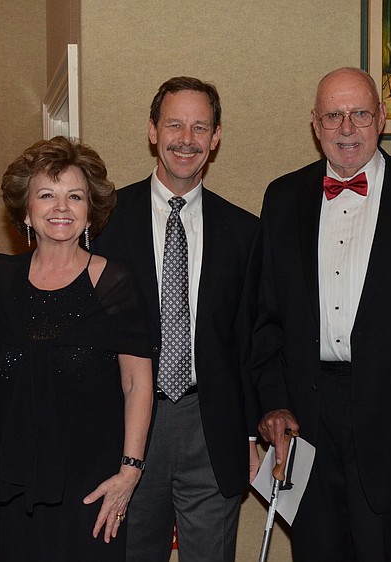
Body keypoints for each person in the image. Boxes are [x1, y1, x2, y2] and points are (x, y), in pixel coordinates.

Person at [252, 67, 391, 562]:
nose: (346, 128)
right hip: (305, 423)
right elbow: (265, 317)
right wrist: (273, 403)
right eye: (333, 115)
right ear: (315, 123)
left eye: (359, 114)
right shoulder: (282, 199)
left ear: (383, 118)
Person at [92, 76, 260, 562]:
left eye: (200, 127)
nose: (186, 139)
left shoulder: (245, 232)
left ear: (216, 137)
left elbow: (249, 340)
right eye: (174, 125)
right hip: (126, 428)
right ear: (152, 131)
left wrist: (250, 434)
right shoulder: (103, 222)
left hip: (212, 428)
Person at [0, 137, 152, 561]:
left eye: (75, 196)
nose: (61, 207)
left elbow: (137, 385)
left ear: (89, 210)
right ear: (25, 210)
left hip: (90, 493)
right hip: (7, 488)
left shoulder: (116, 283)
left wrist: (129, 474)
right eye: (47, 195)